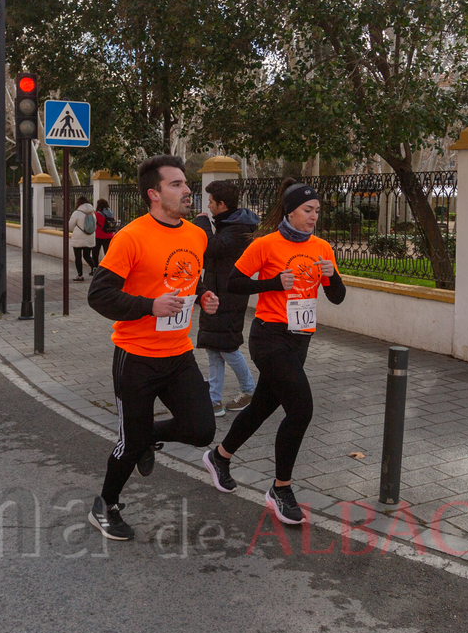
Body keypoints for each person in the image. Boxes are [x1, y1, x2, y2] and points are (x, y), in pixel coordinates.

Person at [86, 156, 220, 541]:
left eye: (186, 183)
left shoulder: (197, 235)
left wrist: (202, 297)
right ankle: (105, 505)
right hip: (137, 356)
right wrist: (149, 306)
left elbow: (184, 282)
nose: (187, 190)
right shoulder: (132, 236)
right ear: (154, 194)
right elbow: (99, 295)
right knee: (128, 448)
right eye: (176, 184)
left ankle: (143, 436)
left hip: (178, 355)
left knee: (201, 429)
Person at [201, 181, 346, 527]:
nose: (314, 217)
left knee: (263, 406)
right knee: (301, 410)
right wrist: (272, 284)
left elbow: (337, 297)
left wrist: (333, 278)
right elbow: (234, 283)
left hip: (301, 339)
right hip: (268, 337)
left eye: (317, 212)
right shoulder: (266, 244)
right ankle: (281, 489)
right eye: (308, 211)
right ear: (291, 211)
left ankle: (220, 457)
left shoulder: (323, 247)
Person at [193, 179, 260, 418]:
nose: (208, 206)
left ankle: (250, 390)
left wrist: (201, 222)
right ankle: (213, 400)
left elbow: (210, 248)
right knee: (214, 348)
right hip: (216, 293)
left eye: (210, 202)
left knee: (228, 347)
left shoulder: (237, 228)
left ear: (222, 204)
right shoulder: (229, 223)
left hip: (227, 297)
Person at [67, 195, 98, 282]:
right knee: (87, 256)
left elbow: (70, 226)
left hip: (78, 238)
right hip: (90, 237)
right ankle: (94, 268)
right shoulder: (92, 212)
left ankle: (80, 275)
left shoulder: (77, 213)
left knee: (78, 257)